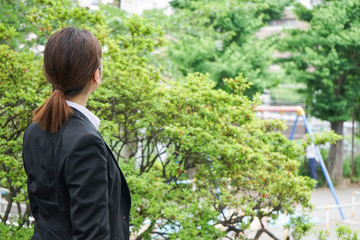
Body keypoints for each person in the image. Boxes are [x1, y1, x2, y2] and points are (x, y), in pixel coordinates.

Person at [22, 27, 131, 240]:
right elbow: (92, 234)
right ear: (96, 75)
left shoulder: (34, 130)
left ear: (48, 73)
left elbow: (42, 210)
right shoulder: (85, 141)